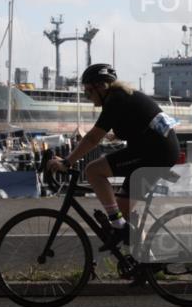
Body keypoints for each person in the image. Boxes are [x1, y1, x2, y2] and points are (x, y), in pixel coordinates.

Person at [47, 63, 179, 249]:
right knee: (124, 212)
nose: (87, 96)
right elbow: (139, 122)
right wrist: (116, 135)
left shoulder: (115, 101)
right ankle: (145, 259)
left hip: (154, 153)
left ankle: (117, 226)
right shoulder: (122, 96)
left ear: (102, 86)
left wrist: (67, 162)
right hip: (158, 151)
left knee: (93, 171)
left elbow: (92, 138)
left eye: (88, 91)